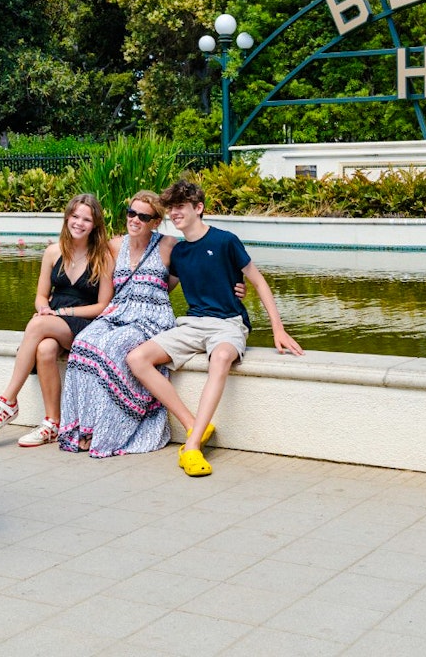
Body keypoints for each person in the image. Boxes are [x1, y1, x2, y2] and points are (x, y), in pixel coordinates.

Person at [127, 179, 304, 477]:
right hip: (192, 324)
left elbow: (257, 281)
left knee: (221, 357)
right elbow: (161, 289)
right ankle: (195, 424)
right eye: (171, 208)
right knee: (136, 359)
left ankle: (192, 447)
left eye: (181, 207)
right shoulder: (179, 252)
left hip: (227, 324)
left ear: (199, 208)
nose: (175, 213)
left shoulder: (225, 241)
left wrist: (278, 328)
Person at [0, 193, 112, 446]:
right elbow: (41, 295)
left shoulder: (102, 257)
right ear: (67, 217)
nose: (79, 223)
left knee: (38, 324)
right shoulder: (52, 252)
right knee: (45, 348)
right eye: (75, 216)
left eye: (86, 219)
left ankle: (8, 401)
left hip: (85, 323)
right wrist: (43, 308)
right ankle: (52, 424)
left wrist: (59, 313)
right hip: (54, 320)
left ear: (95, 225)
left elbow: (103, 306)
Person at [56, 191, 178, 456]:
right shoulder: (114, 246)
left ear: (156, 221)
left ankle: (111, 431)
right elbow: (103, 289)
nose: (134, 219)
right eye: (131, 213)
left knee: (114, 345)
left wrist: (236, 288)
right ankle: (86, 427)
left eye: (143, 216)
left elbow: (185, 280)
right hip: (117, 312)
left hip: (151, 317)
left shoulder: (169, 245)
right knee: (83, 343)